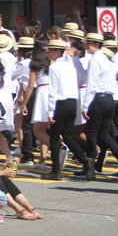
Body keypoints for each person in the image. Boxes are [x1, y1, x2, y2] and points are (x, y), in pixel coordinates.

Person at [42, 39, 92, 181]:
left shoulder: (54, 67)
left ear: (58, 51)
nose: (49, 52)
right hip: (72, 102)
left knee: (54, 137)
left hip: (61, 103)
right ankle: (85, 160)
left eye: (51, 50)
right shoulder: (70, 66)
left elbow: (53, 91)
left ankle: (56, 170)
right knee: (68, 135)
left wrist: (50, 112)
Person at [82, 32, 118, 177]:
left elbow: (92, 83)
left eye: (89, 43)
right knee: (104, 133)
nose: (87, 45)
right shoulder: (107, 59)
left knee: (92, 133)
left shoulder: (95, 59)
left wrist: (85, 106)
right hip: (110, 98)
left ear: (95, 44)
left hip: (99, 98)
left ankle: (90, 168)